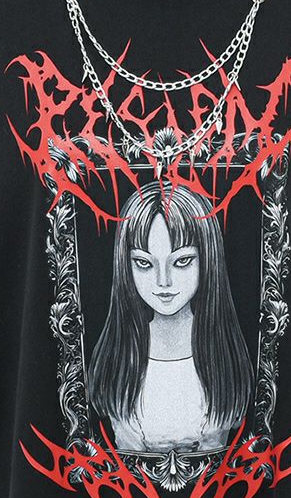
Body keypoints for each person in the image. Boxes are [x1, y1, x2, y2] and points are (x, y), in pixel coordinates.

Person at [87, 179, 253, 454]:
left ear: (207, 259)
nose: (163, 281)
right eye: (144, 263)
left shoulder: (225, 355)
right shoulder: (117, 355)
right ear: (125, 266)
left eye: (181, 261)